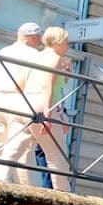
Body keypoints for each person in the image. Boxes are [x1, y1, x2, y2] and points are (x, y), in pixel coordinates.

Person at [0, 23, 54, 183]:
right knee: (20, 148)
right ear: (33, 37)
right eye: (39, 38)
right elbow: (39, 84)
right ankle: (20, 187)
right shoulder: (36, 56)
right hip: (20, 100)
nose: (40, 42)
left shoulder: (4, 51)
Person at [29, 26, 76, 190]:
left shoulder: (39, 57)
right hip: (47, 106)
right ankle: (64, 196)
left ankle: (22, 186)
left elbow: (56, 86)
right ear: (58, 41)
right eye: (66, 42)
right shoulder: (54, 57)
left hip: (31, 103)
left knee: (24, 150)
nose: (68, 45)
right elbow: (47, 87)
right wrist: (47, 116)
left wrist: (66, 72)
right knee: (58, 156)